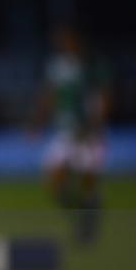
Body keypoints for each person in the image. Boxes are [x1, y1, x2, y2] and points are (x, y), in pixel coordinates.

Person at [35, 24, 111, 244]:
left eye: (65, 38)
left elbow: (103, 97)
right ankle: (81, 215)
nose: (61, 43)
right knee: (54, 181)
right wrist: (38, 121)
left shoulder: (92, 64)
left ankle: (88, 215)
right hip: (64, 130)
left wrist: (94, 125)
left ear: (76, 39)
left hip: (88, 132)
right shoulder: (57, 65)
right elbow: (49, 95)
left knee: (88, 180)